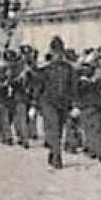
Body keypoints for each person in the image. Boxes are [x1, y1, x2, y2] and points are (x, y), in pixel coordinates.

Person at [37, 35, 77, 170]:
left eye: (60, 53)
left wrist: (75, 104)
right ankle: (57, 158)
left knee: (58, 130)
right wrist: (34, 104)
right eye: (56, 53)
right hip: (48, 102)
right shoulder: (46, 69)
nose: (58, 56)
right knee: (54, 128)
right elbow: (39, 88)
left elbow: (73, 88)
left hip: (64, 103)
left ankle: (53, 152)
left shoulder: (69, 69)